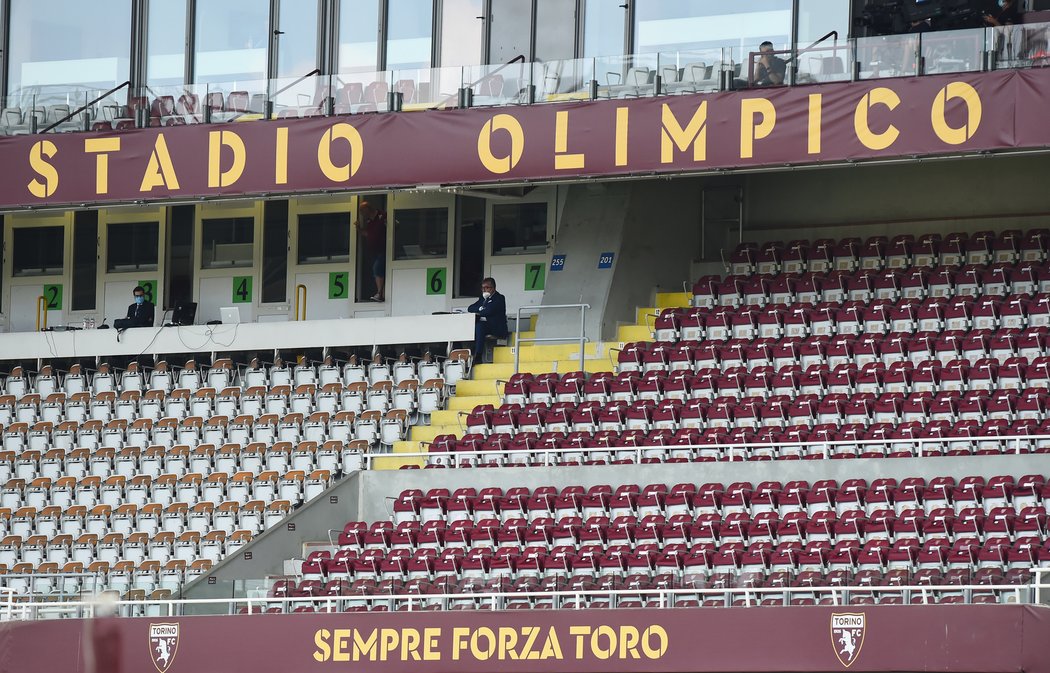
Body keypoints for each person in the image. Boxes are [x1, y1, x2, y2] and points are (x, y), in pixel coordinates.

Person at [467, 277, 508, 362]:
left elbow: (489, 311)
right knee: (470, 327)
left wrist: (480, 310)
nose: (484, 290)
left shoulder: (499, 298)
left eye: (487, 287)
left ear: (493, 288)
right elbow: (470, 308)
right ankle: (465, 353)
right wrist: (481, 308)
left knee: (480, 326)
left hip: (497, 328)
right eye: (482, 288)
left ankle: (478, 355)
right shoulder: (482, 299)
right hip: (486, 326)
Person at [355, 201, 387, 302]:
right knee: (379, 271)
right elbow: (368, 234)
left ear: (368, 209)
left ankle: (380, 294)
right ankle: (381, 292)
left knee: (377, 268)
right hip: (375, 252)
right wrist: (358, 228)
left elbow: (394, 225)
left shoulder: (382, 215)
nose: (361, 214)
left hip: (384, 250)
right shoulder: (369, 221)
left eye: (362, 211)